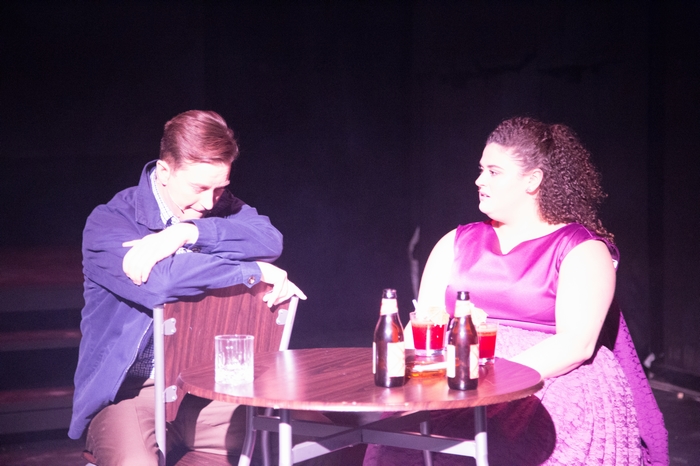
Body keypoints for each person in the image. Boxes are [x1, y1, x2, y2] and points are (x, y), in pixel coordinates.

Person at [364, 117, 668, 465]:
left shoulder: (581, 249)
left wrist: (491, 379)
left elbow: (576, 345)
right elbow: (423, 325)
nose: (479, 180)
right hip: (458, 375)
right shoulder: (455, 242)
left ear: (533, 180)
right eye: (481, 170)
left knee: (523, 434)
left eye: (494, 172)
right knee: (400, 434)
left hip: (549, 378)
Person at [68, 110, 306, 465]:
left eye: (220, 187)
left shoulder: (218, 208)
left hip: (204, 392)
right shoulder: (110, 220)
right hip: (131, 394)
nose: (210, 202)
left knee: (307, 441)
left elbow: (270, 240)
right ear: (165, 172)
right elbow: (162, 282)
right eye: (199, 188)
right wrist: (251, 270)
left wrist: (188, 232)